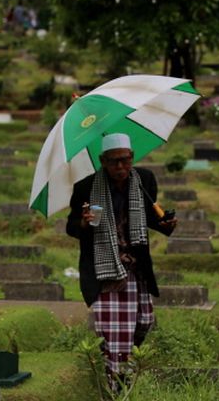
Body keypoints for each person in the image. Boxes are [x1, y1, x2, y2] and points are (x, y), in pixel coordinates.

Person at [67, 133, 177, 387]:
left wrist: (166, 224)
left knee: (145, 321)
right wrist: (83, 222)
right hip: (105, 270)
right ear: (102, 161)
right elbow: (71, 227)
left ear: (132, 158)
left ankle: (122, 361)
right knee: (115, 332)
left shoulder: (144, 180)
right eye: (114, 162)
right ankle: (118, 386)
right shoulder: (86, 187)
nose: (120, 167)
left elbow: (149, 218)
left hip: (136, 266)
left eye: (125, 161)